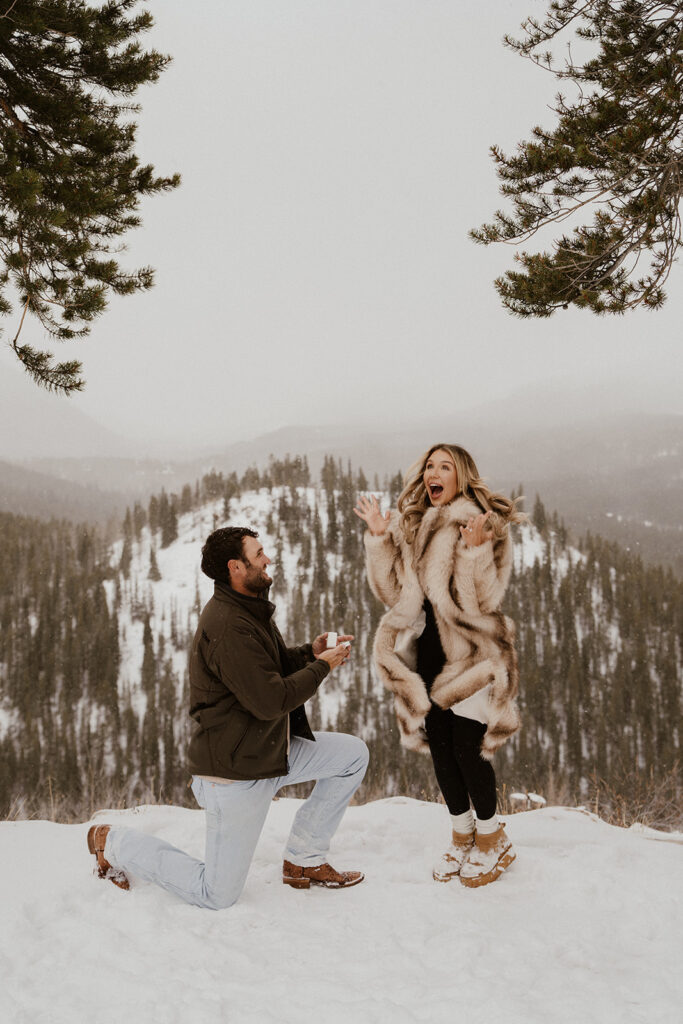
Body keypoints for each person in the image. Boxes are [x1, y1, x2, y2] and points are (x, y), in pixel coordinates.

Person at [87, 525, 369, 908]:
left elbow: (266, 669)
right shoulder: (227, 625)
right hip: (235, 773)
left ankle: (303, 860)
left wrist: (307, 653)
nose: (267, 558)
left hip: (269, 751)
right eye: (259, 554)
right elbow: (270, 700)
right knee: (217, 895)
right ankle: (112, 841)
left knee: (352, 756)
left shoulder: (247, 607)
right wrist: (322, 667)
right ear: (236, 567)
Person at [354, 444, 524, 887]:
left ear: (462, 477)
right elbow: (397, 595)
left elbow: (482, 603)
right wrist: (378, 538)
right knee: (443, 750)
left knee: (468, 748)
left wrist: (474, 553)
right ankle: (463, 834)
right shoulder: (416, 525)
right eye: (430, 465)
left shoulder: (481, 523)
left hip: (470, 655)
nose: (434, 472)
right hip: (429, 653)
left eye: (444, 466)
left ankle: (493, 840)